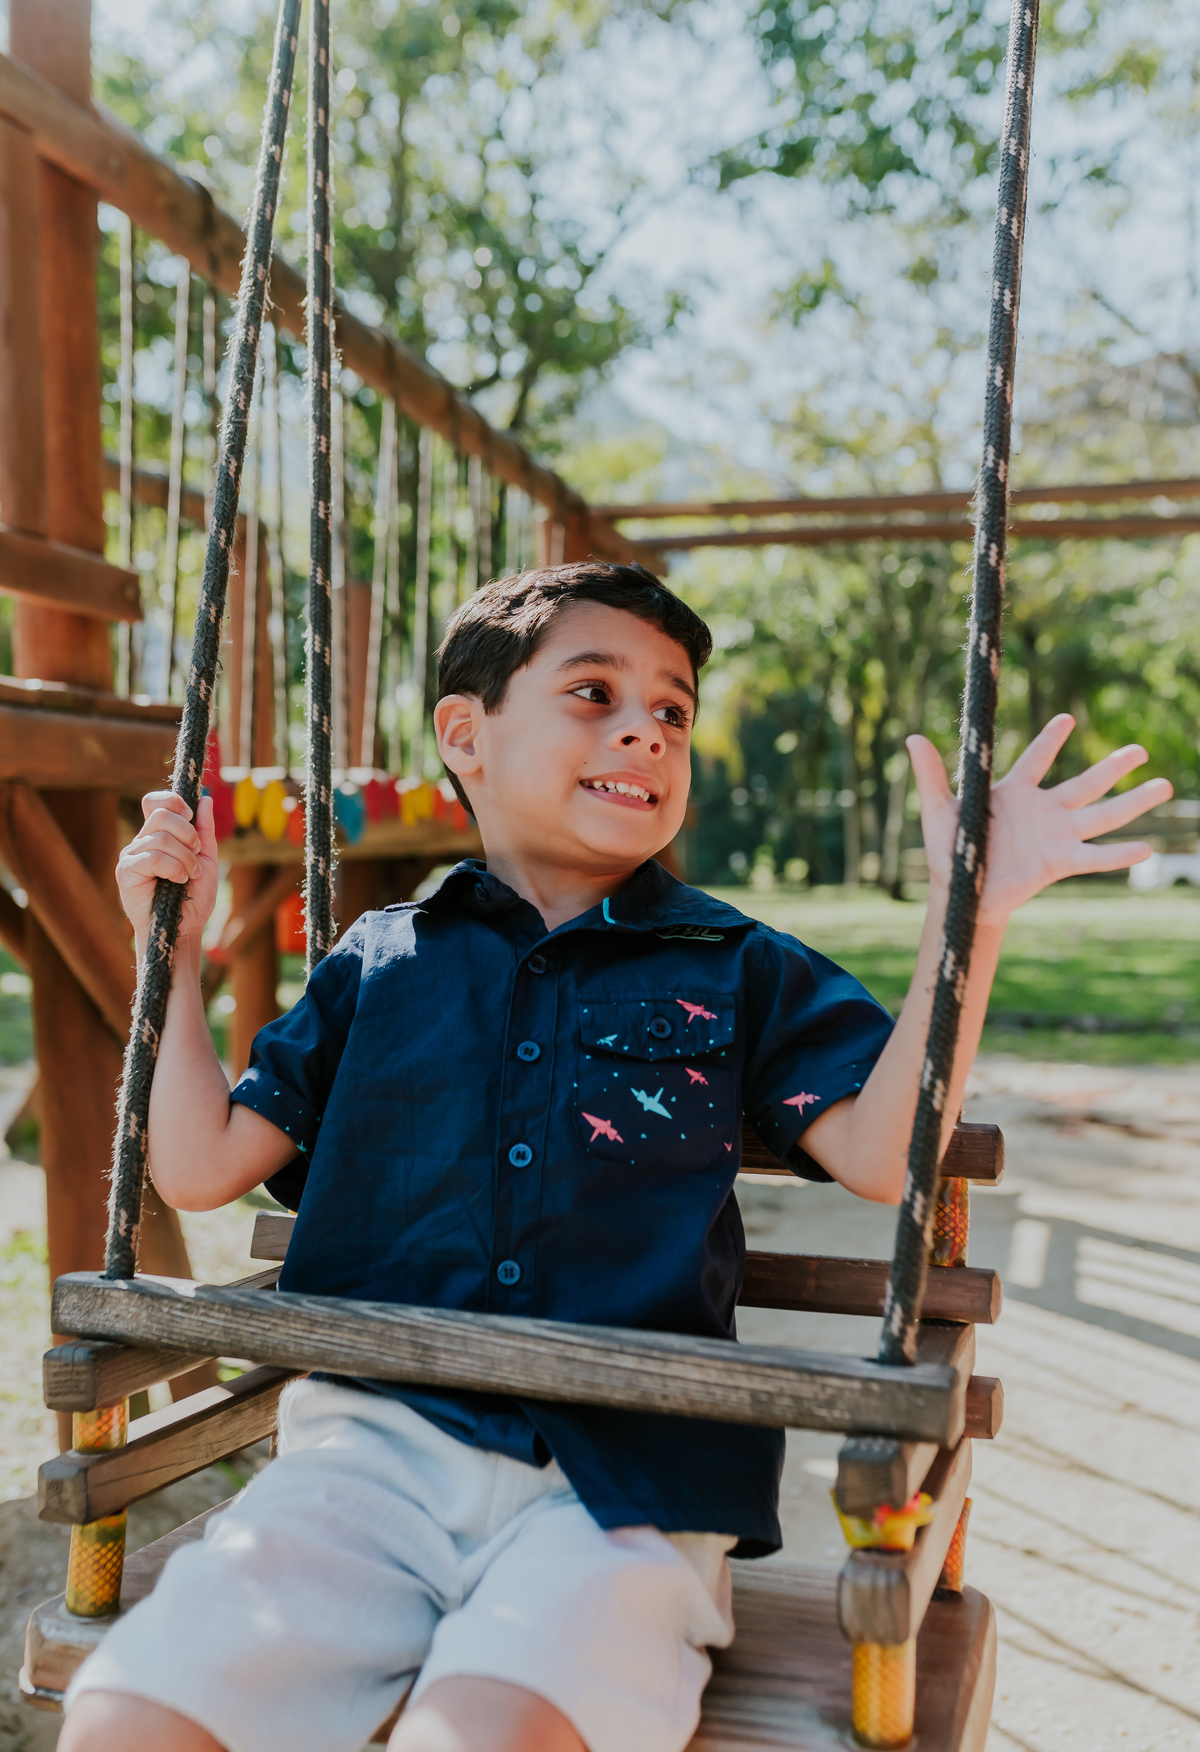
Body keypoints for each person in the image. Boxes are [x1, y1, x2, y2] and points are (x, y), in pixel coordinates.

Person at [62, 562, 1170, 1752]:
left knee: (478, 1737)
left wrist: (970, 918)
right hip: (369, 1458)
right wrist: (171, 952)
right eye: (595, 692)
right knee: (128, 1717)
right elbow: (199, 1165)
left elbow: (887, 1159)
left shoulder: (735, 962)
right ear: (466, 735)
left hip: (628, 1486)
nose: (647, 728)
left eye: (674, 710)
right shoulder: (379, 962)